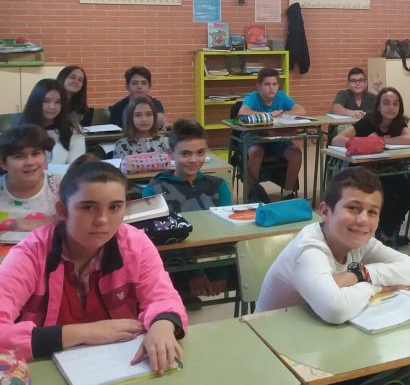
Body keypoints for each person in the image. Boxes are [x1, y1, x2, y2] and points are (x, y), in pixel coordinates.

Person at [0, 160, 185, 373]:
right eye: (88, 207)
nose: (102, 220)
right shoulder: (31, 254)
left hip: (121, 364)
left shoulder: (136, 245)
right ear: (62, 210)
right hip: (47, 367)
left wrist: (163, 325)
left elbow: (162, 297)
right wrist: (85, 332)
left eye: (115, 207)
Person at [256, 168, 410, 385]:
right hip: (279, 356)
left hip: (322, 341)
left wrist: (363, 274)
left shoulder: (360, 241)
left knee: (401, 366)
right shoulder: (309, 249)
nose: (363, 220)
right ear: (326, 212)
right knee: (396, 370)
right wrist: (373, 286)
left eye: (372, 212)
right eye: (353, 208)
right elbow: (335, 309)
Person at [142, 120, 233, 303]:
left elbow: (228, 232)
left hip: (216, 260)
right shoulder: (154, 191)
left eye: (200, 152)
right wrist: (194, 273)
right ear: (171, 154)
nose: (193, 160)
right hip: (175, 264)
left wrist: (222, 273)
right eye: (185, 153)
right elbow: (159, 242)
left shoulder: (218, 186)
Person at [331, 87, 410, 246]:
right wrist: (365, 142)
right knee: (385, 193)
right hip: (366, 171)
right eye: (386, 103)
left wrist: (380, 141)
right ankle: (379, 233)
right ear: (378, 106)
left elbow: (409, 139)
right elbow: (337, 140)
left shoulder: (399, 122)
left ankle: (386, 231)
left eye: (395, 104)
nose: (391, 107)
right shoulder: (369, 121)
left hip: (390, 169)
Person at [238, 67, 307, 201]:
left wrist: (281, 114)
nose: (271, 88)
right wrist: (269, 115)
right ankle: (251, 194)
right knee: (256, 153)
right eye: (267, 84)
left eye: (275, 84)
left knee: (296, 153)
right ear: (258, 86)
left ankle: (288, 192)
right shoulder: (253, 97)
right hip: (254, 137)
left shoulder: (281, 96)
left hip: (276, 138)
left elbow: (301, 111)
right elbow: (243, 112)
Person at [0, 125, 62, 233]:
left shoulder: (63, 185)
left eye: (36, 153)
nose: (30, 162)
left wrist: (40, 223)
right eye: (19, 156)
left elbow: (80, 219)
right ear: (3, 164)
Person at [19, 79, 85, 166]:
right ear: (36, 101)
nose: (52, 106)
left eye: (58, 102)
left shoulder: (73, 129)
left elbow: (77, 166)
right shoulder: (21, 131)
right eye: (46, 101)